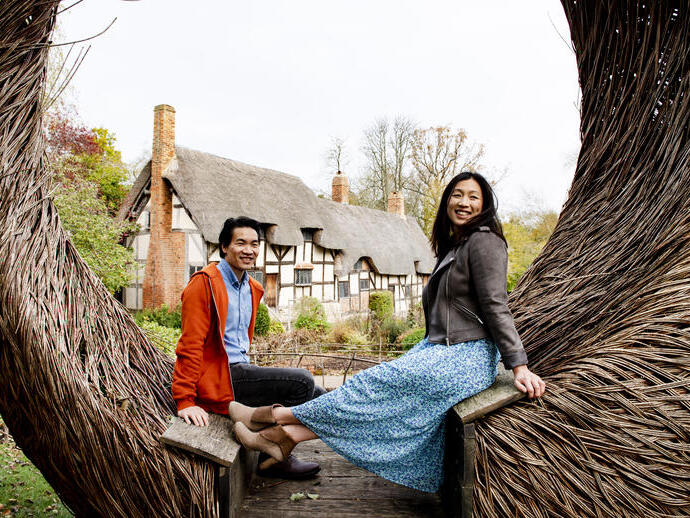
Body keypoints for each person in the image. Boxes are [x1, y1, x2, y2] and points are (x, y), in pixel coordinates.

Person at [228, 173, 546, 492]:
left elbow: (495, 304)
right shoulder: (455, 245)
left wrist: (518, 364)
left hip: (468, 355)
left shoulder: (485, 241)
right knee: (376, 391)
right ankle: (284, 438)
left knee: (372, 385)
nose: (464, 202)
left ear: (485, 204)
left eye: (473, 197)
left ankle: (272, 417)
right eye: (457, 194)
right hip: (441, 349)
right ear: (447, 199)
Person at [171, 216, 326, 479]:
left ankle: (270, 449)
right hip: (221, 378)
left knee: (321, 396)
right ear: (223, 247)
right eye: (240, 243)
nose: (249, 250)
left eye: (254, 244)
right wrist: (185, 400)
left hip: (241, 370)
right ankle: (273, 451)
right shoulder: (204, 284)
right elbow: (190, 344)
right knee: (302, 382)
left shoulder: (252, 288)